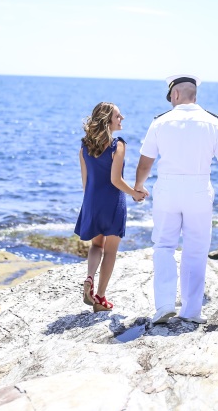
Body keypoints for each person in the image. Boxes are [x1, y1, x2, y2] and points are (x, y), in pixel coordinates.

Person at [134, 75, 218, 325]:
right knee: (196, 250)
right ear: (194, 94)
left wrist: (138, 185)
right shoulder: (214, 122)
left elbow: (146, 161)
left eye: (170, 96)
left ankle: (164, 306)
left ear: (176, 94)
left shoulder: (160, 122)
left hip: (167, 189)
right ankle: (191, 311)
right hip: (199, 190)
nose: (170, 100)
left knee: (164, 246)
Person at [75, 102, 146, 312]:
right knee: (111, 251)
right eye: (118, 115)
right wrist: (135, 193)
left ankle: (89, 278)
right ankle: (100, 298)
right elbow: (116, 180)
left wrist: (90, 203)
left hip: (92, 201)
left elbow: (85, 182)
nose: (122, 118)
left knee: (97, 245)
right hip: (113, 203)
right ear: (107, 120)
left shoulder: (84, 145)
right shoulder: (118, 145)